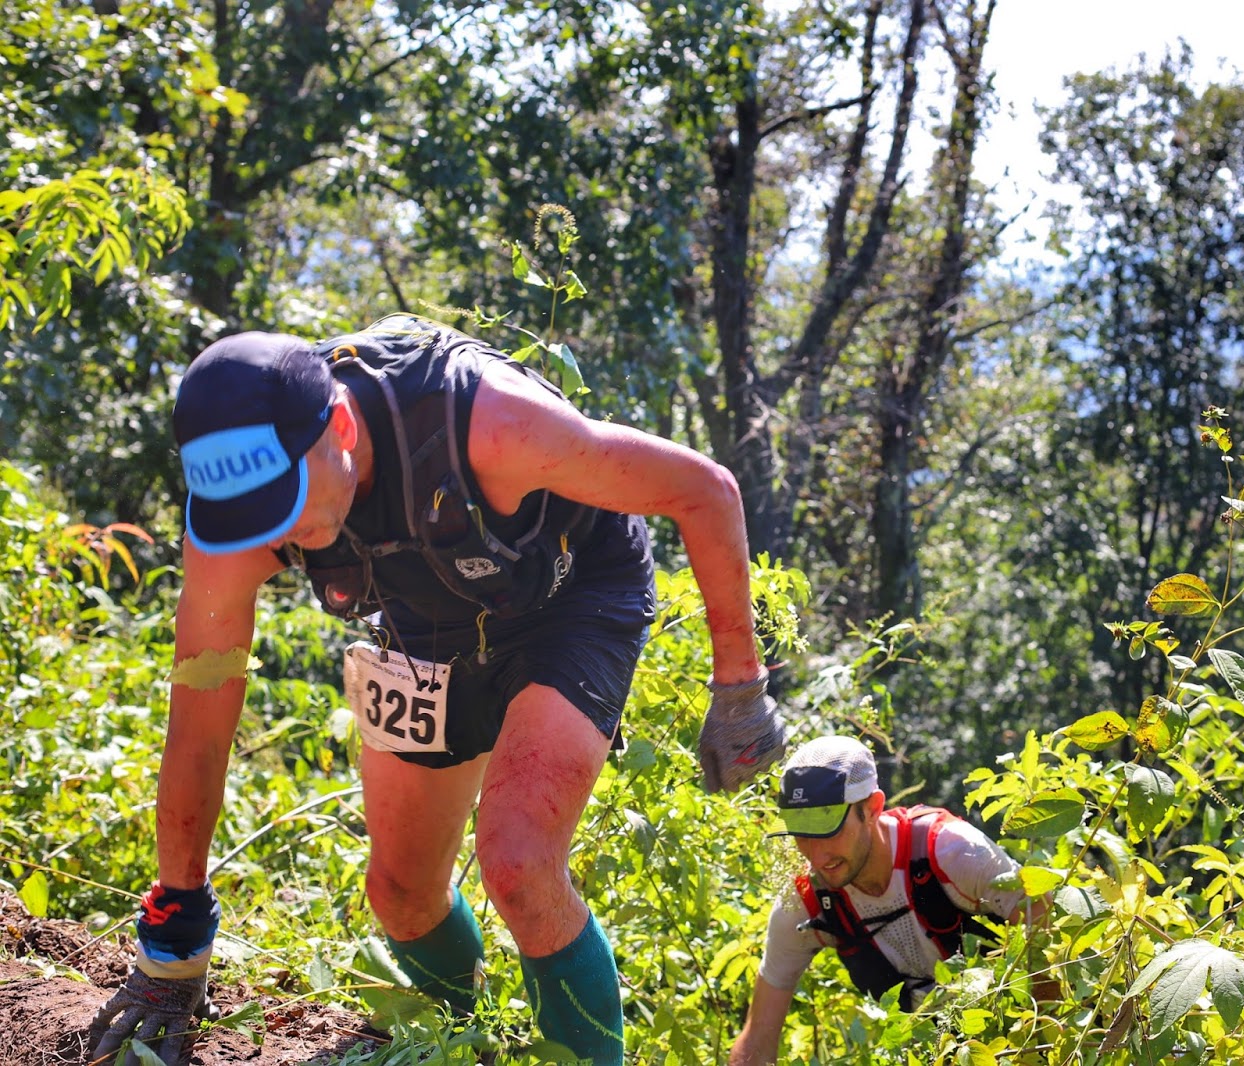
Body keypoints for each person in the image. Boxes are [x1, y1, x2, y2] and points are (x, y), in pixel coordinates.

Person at [87, 314, 787, 1066]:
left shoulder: (491, 423)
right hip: (429, 619)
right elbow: (198, 722)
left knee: (517, 863)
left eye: (285, 494)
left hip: (572, 596)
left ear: (343, 427)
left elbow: (705, 489)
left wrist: (740, 687)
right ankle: (464, 1048)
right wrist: (174, 942)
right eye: (251, 512)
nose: (275, 526)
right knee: (400, 895)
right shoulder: (232, 523)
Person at [728, 736, 1048, 1066]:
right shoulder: (806, 902)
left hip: (1017, 1038)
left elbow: (1041, 914)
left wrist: (1043, 1046)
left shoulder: (950, 849)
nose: (817, 855)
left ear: (872, 808)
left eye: (829, 829)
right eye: (801, 833)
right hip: (927, 1051)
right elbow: (757, 1039)